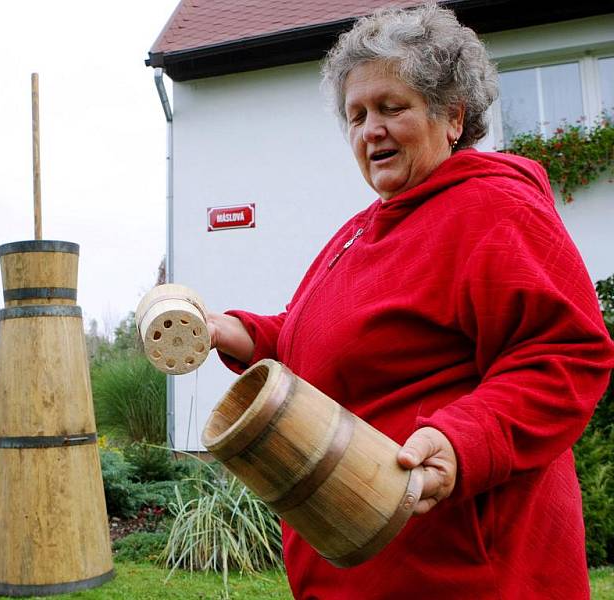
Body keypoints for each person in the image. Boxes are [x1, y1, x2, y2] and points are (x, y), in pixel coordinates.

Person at [206, 4, 614, 599]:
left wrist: (461, 442)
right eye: (356, 115)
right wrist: (240, 333)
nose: (370, 129)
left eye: (391, 108)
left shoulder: (494, 210)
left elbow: (564, 354)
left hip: (459, 570)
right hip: (361, 565)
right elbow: (327, 337)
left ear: (453, 116)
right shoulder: (363, 228)